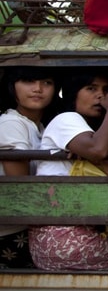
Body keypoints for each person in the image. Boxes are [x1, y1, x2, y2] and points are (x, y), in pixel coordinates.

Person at [29, 72, 108, 271]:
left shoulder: (91, 135)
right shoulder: (66, 119)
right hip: (63, 239)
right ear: (73, 93)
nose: (101, 95)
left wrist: (99, 161)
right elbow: (98, 150)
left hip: (66, 241)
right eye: (91, 88)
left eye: (106, 90)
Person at [0, 67, 58, 268]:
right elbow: (20, 185)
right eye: (28, 81)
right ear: (12, 87)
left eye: (47, 83)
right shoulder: (11, 123)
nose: (38, 89)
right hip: (10, 232)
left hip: (23, 225)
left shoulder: (40, 127)